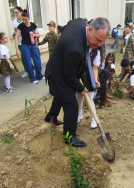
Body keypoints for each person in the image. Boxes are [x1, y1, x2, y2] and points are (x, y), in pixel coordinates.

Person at [44, 17, 110, 147]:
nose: (99, 45)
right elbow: (70, 77)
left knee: (60, 96)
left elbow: (71, 22)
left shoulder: (80, 23)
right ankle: (70, 137)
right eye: (98, 40)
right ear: (90, 29)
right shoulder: (75, 48)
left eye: (102, 42)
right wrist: (80, 87)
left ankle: (50, 117)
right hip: (58, 74)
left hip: (61, 64)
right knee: (71, 104)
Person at [77, 45, 104, 129]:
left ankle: (93, 119)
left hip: (90, 77)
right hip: (79, 75)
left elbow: (95, 68)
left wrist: (95, 80)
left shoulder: (96, 52)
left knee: (89, 99)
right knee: (78, 97)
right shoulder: (81, 47)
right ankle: (79, 115)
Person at [15, 11, 44, 84]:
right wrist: (17, 49)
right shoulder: (20, 26)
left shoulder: (33, 25)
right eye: (22, 20)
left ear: (29, 18)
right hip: (25, 46)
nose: (24, 21)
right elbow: (16, 37)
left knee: (37, 61)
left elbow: (39, 35)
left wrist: (34, 35)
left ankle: (39, 75)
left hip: (33, 45)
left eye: (25, 19)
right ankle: (32, 78)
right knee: (28, 62)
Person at [12, 6, 28, 78]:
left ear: (21, 12)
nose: (16, 14)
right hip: (19, 43)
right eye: (14, 12)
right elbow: (13, 34)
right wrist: (14, 35)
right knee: (23, 58)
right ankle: (26, 71)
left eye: (17, 12)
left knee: (29, 57)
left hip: (27, 42)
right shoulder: (14, 22)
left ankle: (32, 69)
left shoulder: (25, 20)